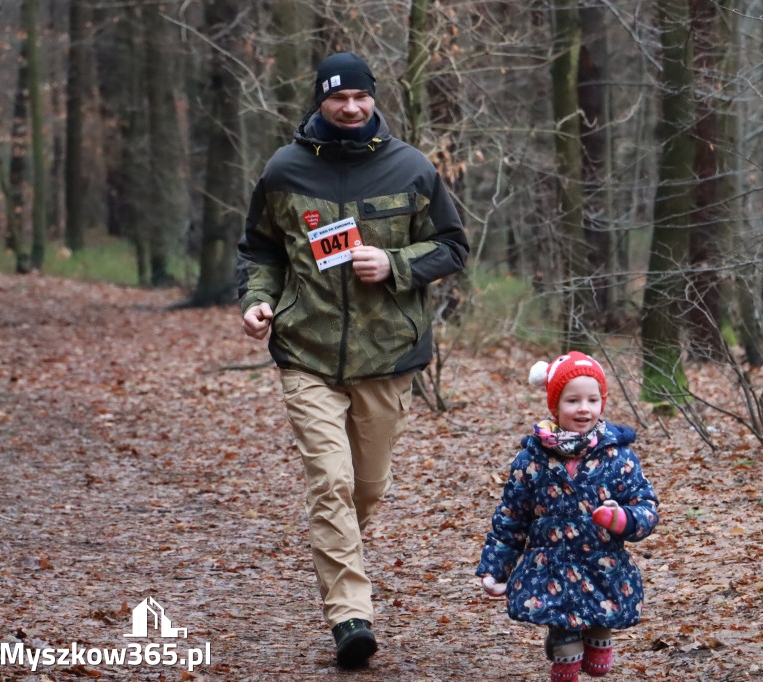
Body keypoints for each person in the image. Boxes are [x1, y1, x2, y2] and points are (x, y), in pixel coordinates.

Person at [237, 52, 469, 668]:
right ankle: (350, 617)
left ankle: (335, 544)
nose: (349, 108)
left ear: (373, 99)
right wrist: (259, 301)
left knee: (366, 486)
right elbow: (259, 250)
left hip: (387, 354)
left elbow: (452, 246)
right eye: (337, 99)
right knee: (331, 482)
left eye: (359, 98)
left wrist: (393, 264)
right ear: (320, 101)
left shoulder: (412, 167)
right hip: (305, 351)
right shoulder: (284, 170)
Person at [476, 352, 659, 682]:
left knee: (599, 656)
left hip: (604, 565)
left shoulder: (619, 456)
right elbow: (511, 518)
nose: (584, 408)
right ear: (554, 406)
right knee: (566, 655)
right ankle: (562, 656)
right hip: (552, 568)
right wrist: (495, 568)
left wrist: (624, 519)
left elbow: (645, 505)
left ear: (602, 403)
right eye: (573, 400)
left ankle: (597, 642)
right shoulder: (532, 460)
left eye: (592, 399)